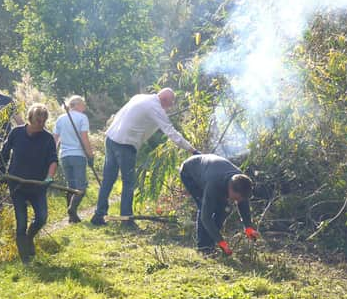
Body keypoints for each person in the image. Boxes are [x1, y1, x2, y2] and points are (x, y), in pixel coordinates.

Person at [91, 88, 199, 227]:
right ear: (164, 100)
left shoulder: (140, 97)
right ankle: (126, 220)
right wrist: (193, 150)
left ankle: (98, 215)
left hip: (111, 138)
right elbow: (171, 132)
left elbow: (124, 115)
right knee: (129, 182)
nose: (170, 108)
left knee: (108, 180)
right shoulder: (155, 107)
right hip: (125, 144)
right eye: (170, 104)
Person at [0, 104, 58, 263]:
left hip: (38, 185)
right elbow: (4, 153)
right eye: (38, 121)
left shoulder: (47, 138)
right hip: (17, 184)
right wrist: (2, 174)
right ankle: (24, 257)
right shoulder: (16, 133)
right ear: (30, 118)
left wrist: (49, 178)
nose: (41, 124)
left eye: (43, 121)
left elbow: (53, 160)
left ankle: (29, 238)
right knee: (21, 220)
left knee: (42, 217)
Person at [179, 153, 260, 255]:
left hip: (210, 169)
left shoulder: (240, 181)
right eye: (236, 198)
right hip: (189, 173)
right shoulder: (214, 184)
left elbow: (242, 202)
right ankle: (204, 248)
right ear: (230, 189)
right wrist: (221, 242)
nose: (237, 201)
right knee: (204, 207)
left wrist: (248, 226)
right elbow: (206, 217)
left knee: (224, 209)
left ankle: (211, 243)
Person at [53, 95, 94, 223]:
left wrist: (52, 155)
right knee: (81, 186)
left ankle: (72, 217)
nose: (85, 107)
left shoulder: (60, 118)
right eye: (83, 105)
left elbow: (55, 139)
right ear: (76, 105)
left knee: (70, 186)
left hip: (64, 155)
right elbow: (84, 138)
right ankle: (72, 209)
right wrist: (90, 155)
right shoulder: (82, 118)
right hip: (78, 155)